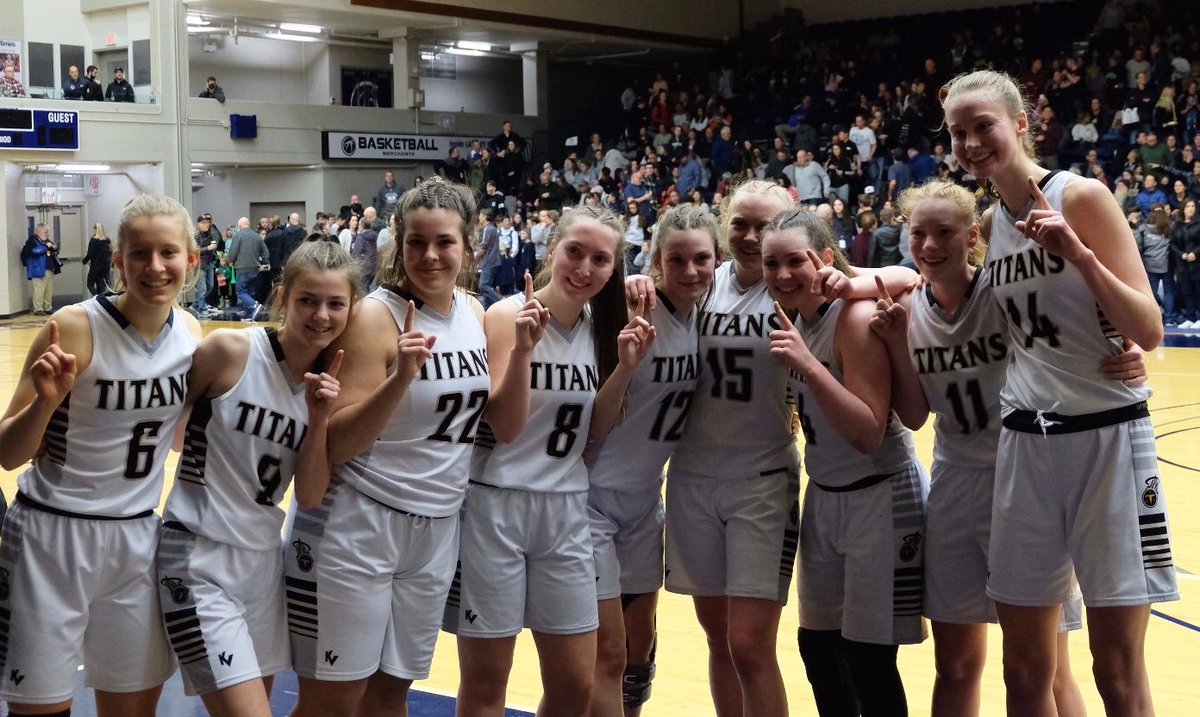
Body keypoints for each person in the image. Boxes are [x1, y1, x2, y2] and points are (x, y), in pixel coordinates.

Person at [942, 68, 1177, 715]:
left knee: (1116, 667)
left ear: (1021, 124)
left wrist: (1080, 255)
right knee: (1024, 670)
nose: (970, 142)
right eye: (958, 133)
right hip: (1026, 447)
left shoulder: (1080, 196)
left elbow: (1149, 327)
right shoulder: (992, 223)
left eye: (982, 125)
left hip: (1109, 439)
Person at [871, 179, 1148, 716]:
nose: (930, 246)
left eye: (945, 232)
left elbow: (1074, 327)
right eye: (918, 234)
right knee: (954, 665)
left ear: (973, 234)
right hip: (954, 484)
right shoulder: (905, 307)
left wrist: (1126, 348)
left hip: (1028, 480)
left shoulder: (1005, 293)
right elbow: (913, 414)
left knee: (1046, 670)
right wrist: (892, 343)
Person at [286, 178, 489, 716]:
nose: (429, 255)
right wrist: (399, 379)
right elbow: (336, 443)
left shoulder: (472, 312)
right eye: (416, 242)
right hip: (358, 524)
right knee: (334, 699)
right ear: (398, 245)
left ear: (469, 245)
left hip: (437, 527)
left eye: (444, 242)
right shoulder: (375, 317)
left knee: (391, 693)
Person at [0, 193, 202, 717]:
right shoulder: (72, 327)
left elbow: (178, 434)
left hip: (137, 537)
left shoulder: (192, 335)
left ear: (191, 260)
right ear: (118, 261)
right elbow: (7, 452)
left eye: (168, 253)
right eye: (138, 253)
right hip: (52, 536)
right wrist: (45, 403)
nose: (154, 267)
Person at [448, 205, 649, 717]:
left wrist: (623, 371)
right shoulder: (505, 315)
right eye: (574, 252)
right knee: (488, 681)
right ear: (551, 250)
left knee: (575, 685)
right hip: (496, 508)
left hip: (565, 511)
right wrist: (521, 352)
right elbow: (506, 427)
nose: (584, 268)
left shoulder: (602, 328)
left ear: (613, 268)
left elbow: (594, 433)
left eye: (600, 260)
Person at [157, 241, 354, 716]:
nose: (321, 315)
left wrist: (321, 417)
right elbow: (167, 425)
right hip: (197, 556)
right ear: (283, 297)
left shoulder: (330, 385)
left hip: (265, 563)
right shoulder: (230, 350)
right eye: (307, 300)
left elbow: (308, 496)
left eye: (335, 304)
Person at [761, 208, 927, 715]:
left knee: (869, 660)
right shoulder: (797, 318)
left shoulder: (852, 317)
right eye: (773, 263)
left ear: (825, 259)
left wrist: (809, 367)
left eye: (796, 261)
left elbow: (868, 431)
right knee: (817, 648)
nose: (784, 274)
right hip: (826, 494)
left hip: (880, 493)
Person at [586, 204, 719, 717]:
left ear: (716, 260)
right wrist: (621, 284)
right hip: (591, 499)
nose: (690, 271)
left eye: (700, 259)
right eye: (676, 259)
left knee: (639, 651)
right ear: (656, 260)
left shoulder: (704, 314)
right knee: (609, 652)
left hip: (645, 503)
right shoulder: (628, 308)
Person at [227, 217, 270, 321]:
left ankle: (255, 305)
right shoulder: (256, 236)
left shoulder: (238, 236)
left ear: (240, 225)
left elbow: (232, 253)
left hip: (242, 268)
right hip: (255, 269)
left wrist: (230, 260)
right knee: (250, 292)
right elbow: (266, 252)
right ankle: (248, 315)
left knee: (240, 292)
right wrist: (264, 262)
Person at [21, 224, 60, 315]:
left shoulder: (47, 241)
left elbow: (48, 254)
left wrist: (53, 249)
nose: (47, 234)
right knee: (39, 290)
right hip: (38, 269)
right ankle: (38, 309)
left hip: (49, 268)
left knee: (48, 290)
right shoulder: (32, 241)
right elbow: (34, 252)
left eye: (48, 232)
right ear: (39, 231)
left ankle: (47, 307)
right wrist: (46, 246)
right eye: (45, 231)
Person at [193, 213, 222, 317]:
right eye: (204, 222)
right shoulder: (196, 235)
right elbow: (193, 250)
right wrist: (208, 248)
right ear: (198, 224)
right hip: (199, 264)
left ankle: (196, 305)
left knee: (211, 286)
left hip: (209, 263)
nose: (207, 224)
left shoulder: (210, 233)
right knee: (202, 288)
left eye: (208, 222)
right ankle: (202, 309)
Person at [82, 222, 113, 297]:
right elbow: (110, 252)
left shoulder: (94, 240)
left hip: (96, 266)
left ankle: (98, 299)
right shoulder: (107, 240)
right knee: (101, 285)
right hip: (105, 266)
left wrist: (84, 261)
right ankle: (103, 300)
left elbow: (90, 254)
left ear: (95, 229)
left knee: (90, 284)